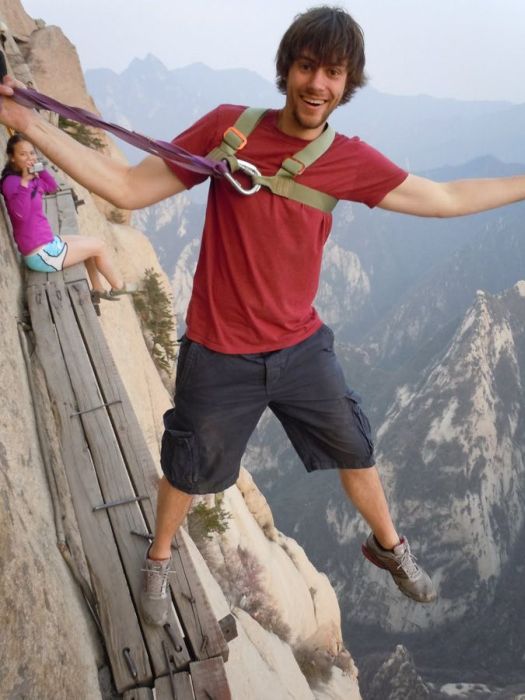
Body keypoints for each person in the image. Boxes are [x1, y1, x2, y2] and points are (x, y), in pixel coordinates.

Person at [2, 6, 525, 625]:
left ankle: (391, 547)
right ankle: (161, 556)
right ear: (287, 69)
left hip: (301, 346)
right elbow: (126, 187)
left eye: (333, 72)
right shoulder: (231, 130)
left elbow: (443, 198)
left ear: (347, 83)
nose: (318, 84)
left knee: (355, 446)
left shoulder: (349, 160)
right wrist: (23, 121)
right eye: (307, 67)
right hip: (221, 348)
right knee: (189, 465)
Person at [1, 133, 133, 300]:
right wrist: (25, 183)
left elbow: (51, 187)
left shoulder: (28, 178)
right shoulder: (11, 183)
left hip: (46, 242)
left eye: (32, 153)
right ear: (12, 158)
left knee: (90, 242)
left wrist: (40, 171)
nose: (29, 157)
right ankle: (118, 287)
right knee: (98, 246)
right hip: (40, 255)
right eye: (23, 154)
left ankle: (98, 288)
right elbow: (20, 214)